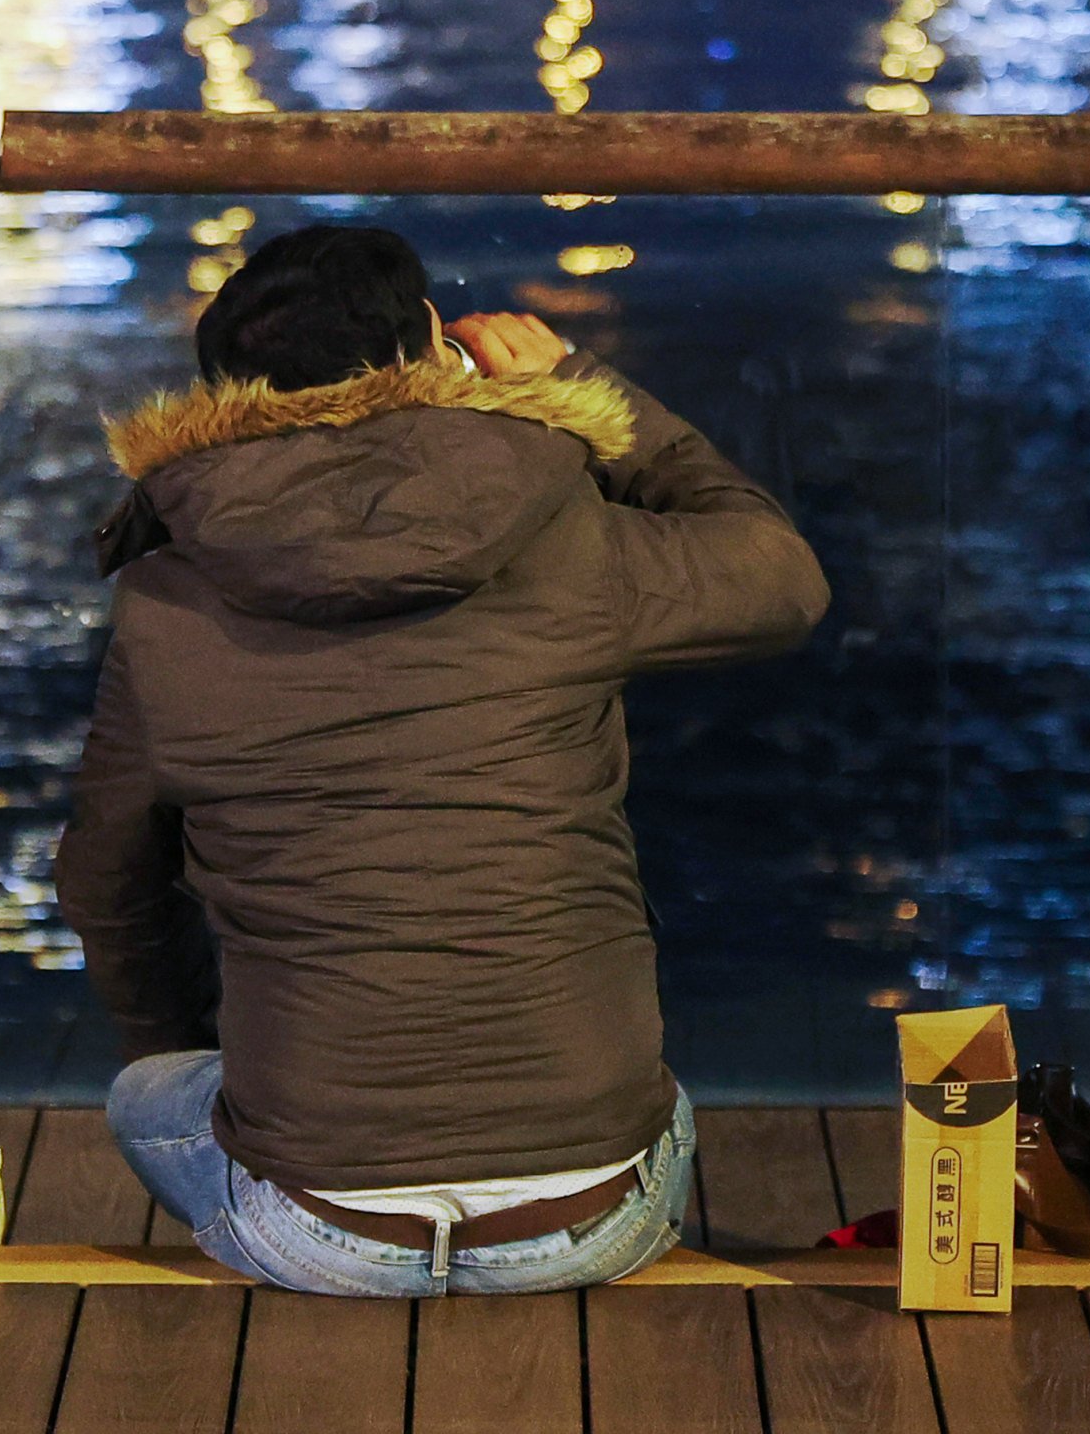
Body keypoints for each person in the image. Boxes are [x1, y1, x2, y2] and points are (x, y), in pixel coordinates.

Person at [60, 224, 829, 1296]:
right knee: (636, 1083)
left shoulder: (165, 600)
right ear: (431, 348)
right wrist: (581, 381)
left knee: (147, 1095)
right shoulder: (568, 536)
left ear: (226, 399)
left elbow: (107, 883)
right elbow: (783, 577)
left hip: (319, 1227)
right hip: (597, 1214)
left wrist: (236, 1066)